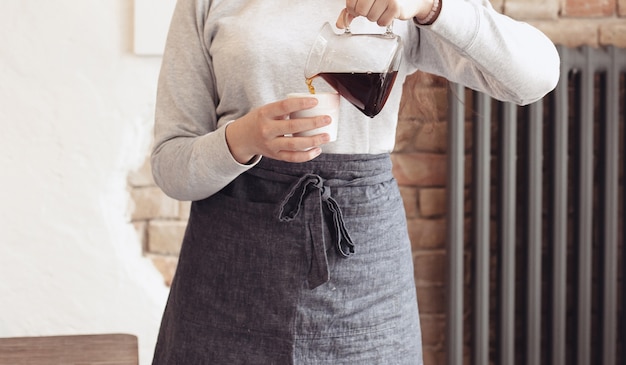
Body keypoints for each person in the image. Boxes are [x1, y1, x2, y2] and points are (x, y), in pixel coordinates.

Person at [150, 0, 560, 363]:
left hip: (365, 271)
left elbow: (536, 76)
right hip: (225, 278)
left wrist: (433, 7)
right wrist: (243, 139)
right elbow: (171, 164)